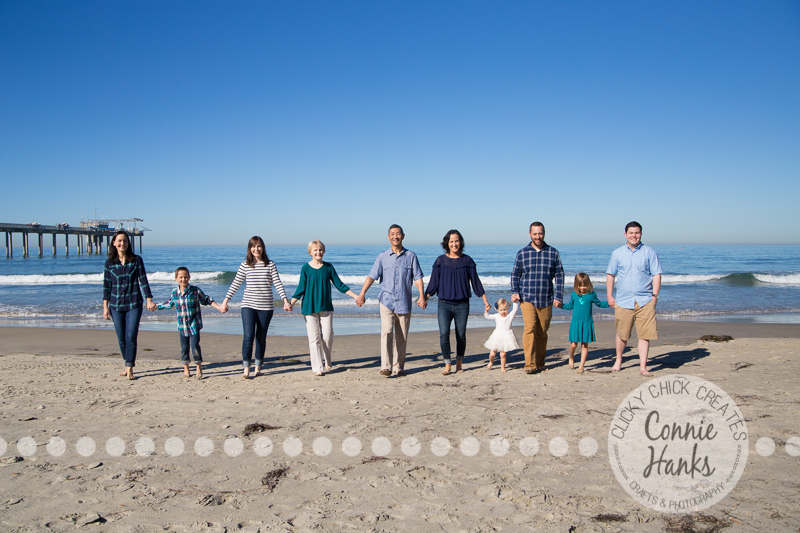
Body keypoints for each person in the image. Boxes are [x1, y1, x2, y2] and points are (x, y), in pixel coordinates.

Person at [355, 224, 425, 377]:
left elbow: (418, 277)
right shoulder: (382, 257)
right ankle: (386, 366)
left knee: (402, 336)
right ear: (388, 237)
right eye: (392, 234)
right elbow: (372, 276)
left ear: (403, 236)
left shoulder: (411, 256)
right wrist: (361, 294)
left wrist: (422, 296)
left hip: (404, 301)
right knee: (387, 331)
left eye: (398, 234)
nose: (395, 236)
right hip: (386, 300)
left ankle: (398, 366)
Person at [220, 236, 291, 379]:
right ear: (249, 248)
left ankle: (258, 367)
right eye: (253, 246)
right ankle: (246, 368)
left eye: (259, 246)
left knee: (261, 338)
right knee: (248, 336)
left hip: (266, 307)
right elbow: (235, 283)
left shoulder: (270, 265)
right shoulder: (245, 265)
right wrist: (225, 301)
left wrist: (285, 301)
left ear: (263, 248)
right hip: (248, 305)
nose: (256, 249)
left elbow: (277, 283)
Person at [424, 229, 491, 375]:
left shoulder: (467, 261)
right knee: (444, 334)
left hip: (462, 305)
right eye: (451, 241)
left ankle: (459, 363)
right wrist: (425, 298)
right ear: (447, 243)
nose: (454, 244)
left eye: (457, 241)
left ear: (461, 242)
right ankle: (447, 364)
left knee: (461, 335)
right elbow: (433, 283)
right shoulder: (440, 261)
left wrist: (485, 301)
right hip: (444, 304)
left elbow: (476, 282)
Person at [290, 240, 359, 376]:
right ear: (310, 252)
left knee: (327, 336)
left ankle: (327, 359)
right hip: (309, 307)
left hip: (326, 307)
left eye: (320, 249)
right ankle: (317, 367)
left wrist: (356, 296)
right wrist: (290, 303)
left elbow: (340, 285)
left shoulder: (328, 267)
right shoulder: (305, 268)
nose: (318, 252)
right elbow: (300, 288)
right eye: (315, 250)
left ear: (324, 251)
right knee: (314, 338)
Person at [607, 221, 662, 376]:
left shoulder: (649, 252)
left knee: (645, 334)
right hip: (623, 300)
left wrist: (655, 295)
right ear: (625, 234)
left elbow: (656, 274)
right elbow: (610, 275)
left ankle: (643, 367)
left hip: (645, 300)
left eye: (637, 232)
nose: (634, 235)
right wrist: (610, 296)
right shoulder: (617, 253)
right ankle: (618, 360)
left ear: (641, 234)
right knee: (622, 333)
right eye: (631, 233)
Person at [511, 222, 565, 374]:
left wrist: (559, 296)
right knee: (530, 329)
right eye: (535, 234)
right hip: (527, 297)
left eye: (540, 233)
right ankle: (529, 364)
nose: (537, 236)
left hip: (546, 298)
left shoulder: (553, 252)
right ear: (530, 234)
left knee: (542, 331)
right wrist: (515, 291)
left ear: (544, 233)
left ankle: (540, 363)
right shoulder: (522, 253)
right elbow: (515, 274)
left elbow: (560, 275)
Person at [102, 229, 156, 380]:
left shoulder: (136, 260)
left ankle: (130, 367)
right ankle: (127, 363)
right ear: (114, 243)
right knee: (121, 338)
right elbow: (106, 285)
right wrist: (105, 306)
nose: (122, 243)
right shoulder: (109, 263)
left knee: (131, 336)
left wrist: (149, 299)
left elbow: (143, 280)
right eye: (119, 240)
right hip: (115, 305)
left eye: (125, 241)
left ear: (128, 243)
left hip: (134, 303)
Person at [155, 266, 222, 379]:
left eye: (185, 277)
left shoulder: (195, 291)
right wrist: (155, 306)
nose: (183, 279)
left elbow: (206, 299)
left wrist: (219, 307)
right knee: (184, 348)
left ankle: (198, 367)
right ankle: (186, 368)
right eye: (181, 277)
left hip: (194, 324)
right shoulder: (174, 293)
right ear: (176, 278)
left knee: (195, 346)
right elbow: (169, 303)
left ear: (189, 277)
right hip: (182, 326)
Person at [561, 273, 610, 374]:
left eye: (585, 285)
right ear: (576, 285)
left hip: (587, 323)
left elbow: (600, 303)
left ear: (588, 284)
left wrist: (610, 304)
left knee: (584, 345)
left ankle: (581, 366)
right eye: (580, 285)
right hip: (576, 323)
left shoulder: (592, 294)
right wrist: (560, 305)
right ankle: (571, 357)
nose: (583, 288)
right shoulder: (574, 294)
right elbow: (570, 306)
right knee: (573, 345)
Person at [483, 298, 520, 372]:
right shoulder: (497, 316)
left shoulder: (509, 316)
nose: (503, 312)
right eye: (501, 310)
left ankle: (503, 367)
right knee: (492, 353)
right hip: (497, 336)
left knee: (503, 354)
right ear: (497, 309)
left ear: (508, 308)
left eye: (505, 309)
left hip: (506, 336)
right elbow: (488, 316)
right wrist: (486, 311)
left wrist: (515, 301)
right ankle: (491, 362)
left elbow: (515, 309)